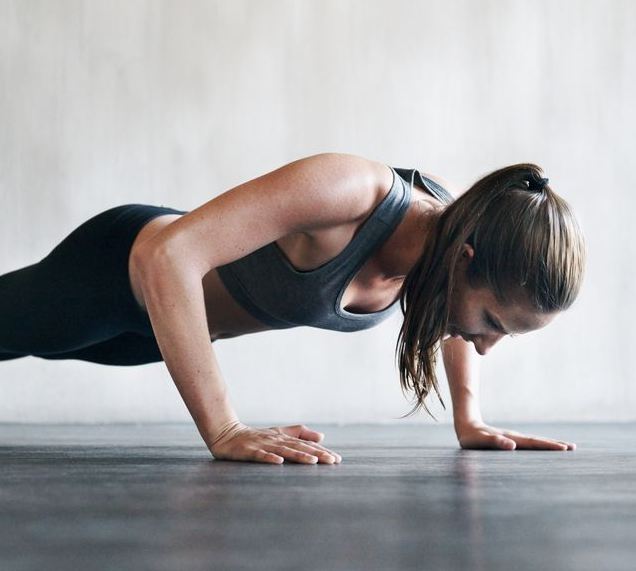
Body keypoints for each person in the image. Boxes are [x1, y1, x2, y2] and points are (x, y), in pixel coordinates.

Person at [0, 152, 586, 464]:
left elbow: (454, 320)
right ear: (465, 259)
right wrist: (225, 428)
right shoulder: (350, 191)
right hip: (116, 273)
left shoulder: (451, 239)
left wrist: (469, 419)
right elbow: (171, 256)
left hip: (160, 334)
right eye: (493, 323)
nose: (485, 344)